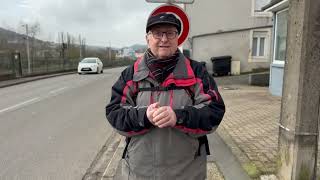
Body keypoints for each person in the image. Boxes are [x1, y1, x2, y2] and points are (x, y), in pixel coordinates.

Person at [105, 12, 225, 180]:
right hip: (140, 172)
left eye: (170, 33)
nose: (164, 39)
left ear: (178, 38)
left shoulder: (197, 72)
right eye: (157, 33)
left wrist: (178, 116)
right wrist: (144, 116)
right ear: (148, 38)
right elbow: (114, 112)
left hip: (188, 172)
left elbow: (214, 111)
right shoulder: (130, 74)